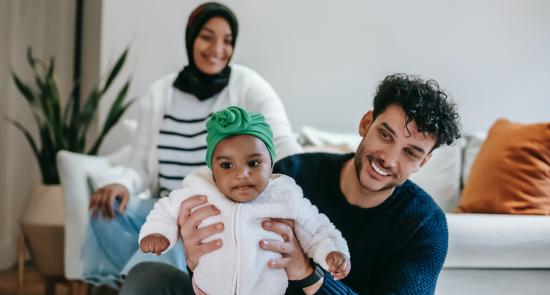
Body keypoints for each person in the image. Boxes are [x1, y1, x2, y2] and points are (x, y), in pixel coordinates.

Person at [120, 73, 461, 295]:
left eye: (411, 152)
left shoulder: (424, 225)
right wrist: (196, 258)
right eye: (385, 136)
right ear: (366, 123)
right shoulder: (294, 175)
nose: (389, 158)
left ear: (425, 161)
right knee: (149, 278)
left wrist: (308, 273)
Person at [84, 2, 302, 287]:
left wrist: (300, 184)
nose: (217, 49)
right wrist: (122, 184)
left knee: (187, 228)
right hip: (165, 204)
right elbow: (138, 166)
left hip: (219, 209)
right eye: (207, 36)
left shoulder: (249, 86)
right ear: (191, 38)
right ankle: (151, 270)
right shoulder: (159, 94)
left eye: (227, 41)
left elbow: (283, 145)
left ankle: (147, 276)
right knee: (106, 212)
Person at [140, 106, 350, 295]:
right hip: (207, 290)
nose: (242, 174)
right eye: (227, 166)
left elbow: (317, 228)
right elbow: (166, 209)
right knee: (144, 275)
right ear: (212, 169)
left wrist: (332, 251)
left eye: (254, 162)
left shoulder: (284, 196)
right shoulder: (199, 190)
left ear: (270, 164)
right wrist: (157, 232)